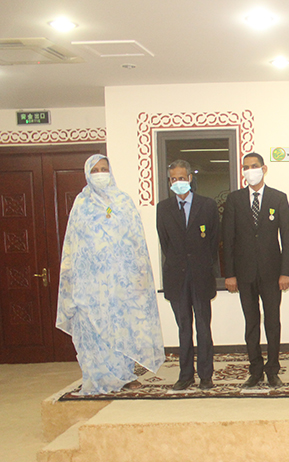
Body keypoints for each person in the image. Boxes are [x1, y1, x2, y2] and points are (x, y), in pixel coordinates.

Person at [56, 154, 165, 395]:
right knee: (93, 332)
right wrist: (74, 282)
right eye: (95, 170)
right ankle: (95, 376)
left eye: (103, 168)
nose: (100, 174)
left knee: (121, 329)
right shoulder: (81, 204)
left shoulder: (123, 202)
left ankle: (124, 376)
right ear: (87, 173)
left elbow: (136, 242)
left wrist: (138, 276)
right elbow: (72, 245)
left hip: (120, 284)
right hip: (89, 286)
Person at [222, 152, 289, 388]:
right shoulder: (234, 200)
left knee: (272, 322)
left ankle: (272, 369)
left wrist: (286, 272)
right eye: (246, 167)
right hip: (244, 274)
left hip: (272, 274)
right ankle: (255, 370)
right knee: (251, 323)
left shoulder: (278, 198)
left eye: (254, 166)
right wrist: (229, 274)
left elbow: (288, 238)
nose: (250, 170)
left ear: (264, 169)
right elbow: (227, 239)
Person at [156, 159, 220, 390]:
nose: (178, 182)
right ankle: (185, 375)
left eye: (182, 178)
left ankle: (206, 375)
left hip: (201, 277)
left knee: (203, 327)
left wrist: (202, 264)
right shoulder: (163, 208)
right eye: (174, 179)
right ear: (169, 181)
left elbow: (214, 241)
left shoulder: (208, 205)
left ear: (190, 178)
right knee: (184, 328)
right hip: (176, 278)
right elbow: (165, 243)